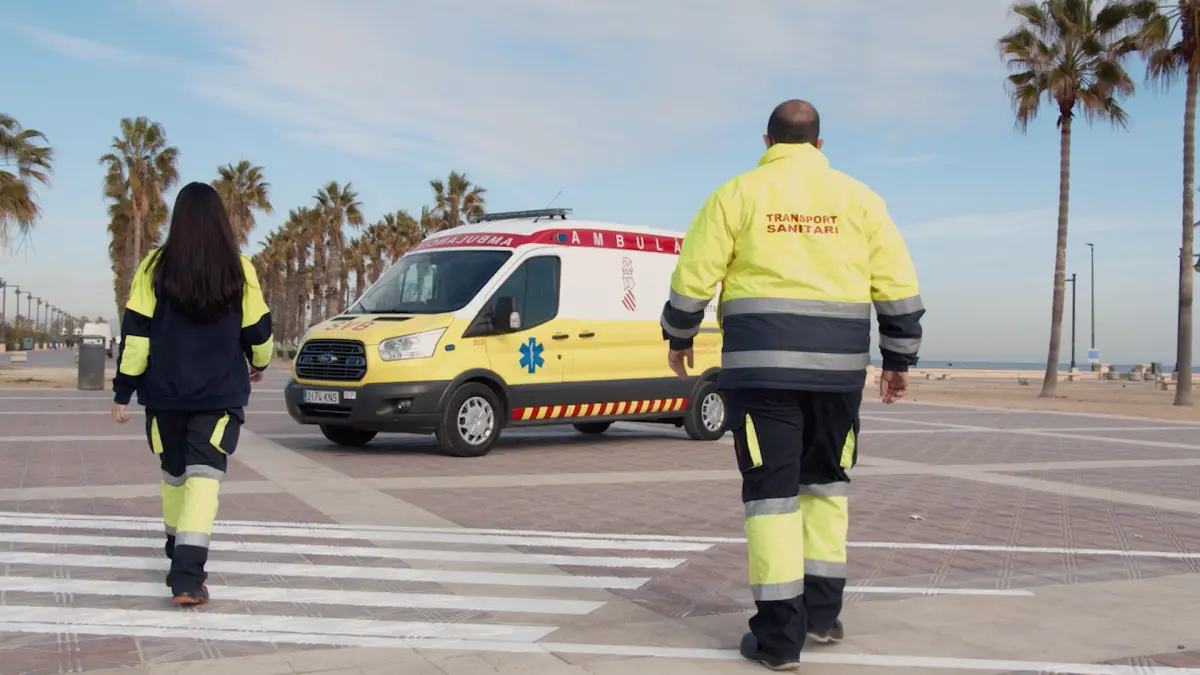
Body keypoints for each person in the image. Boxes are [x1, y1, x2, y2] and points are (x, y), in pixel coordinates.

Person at [659, 100, 923, 670]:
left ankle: (779, 641)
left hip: (762, 374)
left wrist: (679, 335)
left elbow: (694, 273)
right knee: (826, 488)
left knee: (772, 499)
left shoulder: (737, 194)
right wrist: (899, 357)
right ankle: (822, 618)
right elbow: (897, 282)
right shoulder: (860, 199)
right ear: (819, 145)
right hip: (838, 377)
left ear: (767, 141)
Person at [110, 181, 273, 606]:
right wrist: (259, 362)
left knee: (174, 474)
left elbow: (136, 335)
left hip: (164, 394)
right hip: (219, 395)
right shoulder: (240, 268)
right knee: (204, 478)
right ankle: (187, 575)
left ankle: (176, 548)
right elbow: (258, 329)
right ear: (220, 219)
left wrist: (123, 390)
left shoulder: (152, 267)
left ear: (177, 219)